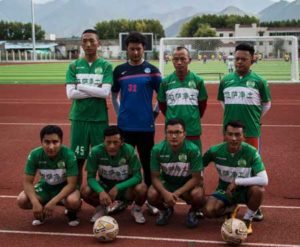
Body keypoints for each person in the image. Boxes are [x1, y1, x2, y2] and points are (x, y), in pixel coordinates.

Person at [218, 43, 271, 221]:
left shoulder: (259, 81)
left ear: (252, 59)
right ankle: (232, 200)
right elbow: (223, 103)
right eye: (237, 58)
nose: (239, 62)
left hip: (251, 132)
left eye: (244, 59)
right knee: (232, 165)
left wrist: (254, 119)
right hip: (230, 131)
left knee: (251, 169)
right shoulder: (225, 80)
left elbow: (266, 104)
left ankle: (254, 206)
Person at [111, 31, 162, 214]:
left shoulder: (152, 70)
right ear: (127, 49)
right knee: (123, 164)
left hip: (145, 126)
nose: (135, 52)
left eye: (138, 49)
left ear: (144, 49)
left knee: (147, 164)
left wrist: (154, 113)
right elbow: (114, 94)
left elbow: (161, 96)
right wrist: (119, 113)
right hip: (124, 126)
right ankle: (123, 199)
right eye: (132, 49)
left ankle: (148, 200)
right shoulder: (119, 70)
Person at [202, 121, 268, 235]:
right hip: (225, 188)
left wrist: (237, 181)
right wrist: (200, 179)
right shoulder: (214, 151)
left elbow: (264, 180)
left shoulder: (251, 152)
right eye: (230, 134)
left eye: (237, 135)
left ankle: (247, 219)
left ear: (243, 136)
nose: (233, 138)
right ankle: (231, 209)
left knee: (259, 190)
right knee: (208, 211)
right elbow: (199, 166)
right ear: (224, 135)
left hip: (246, 189)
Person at [66, 29, 113, 186]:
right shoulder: (74, 66)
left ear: (98, 43)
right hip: (79, 119)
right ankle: (75, 197)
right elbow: (71, 94)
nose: (88, 44)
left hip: (99, 120)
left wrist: (80, 86)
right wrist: (94, 90)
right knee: (78, 160)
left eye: (92, 40)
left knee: (102, 161)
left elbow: (105, 92)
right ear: (81, 44)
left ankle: (102, 198)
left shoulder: (106, 66)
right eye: (85, 41)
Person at [16, 125, 81, 226]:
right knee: (22, 200)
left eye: (55, 142)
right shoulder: (34, 154)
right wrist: (35, 203)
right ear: (41, 142)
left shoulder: (69, 155)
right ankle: (41, 212)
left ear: (61, 142)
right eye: (47, 142)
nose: (51, 147)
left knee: (73, 201)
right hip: (46, 187)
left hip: (64, 188)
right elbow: (27, 182)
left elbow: (71, 184)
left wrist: (53, 202)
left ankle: (71, 212)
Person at [81, 126, 148, 224]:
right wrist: (100, 192)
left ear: (122, 142)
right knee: (84, 191)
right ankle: (101, 208)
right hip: (105, 187)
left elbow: (138, 177)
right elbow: (90, 178)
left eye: (115, 142)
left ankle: (136, 209)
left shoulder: (128, 150)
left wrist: (118, 187)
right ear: (103, 141)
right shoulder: (95, 152)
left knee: (142, 188)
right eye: (108, 142)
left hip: (126, 189)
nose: (112, 146)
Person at [147, 118, 205, 228]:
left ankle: (193, 211)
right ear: (165, 134)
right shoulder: (157, 149)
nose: (174, 136)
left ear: (184, 134)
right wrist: (165, 193)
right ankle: (165, 210)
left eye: (178, 132)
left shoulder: (193, 149)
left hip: (186, 183)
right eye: (170, 132)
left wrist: (176, 193)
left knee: (198, 195)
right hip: (168, 182)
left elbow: (196, 178)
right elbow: (154, 177)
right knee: (151, 194)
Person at [158, 46, 208, 152]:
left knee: (195, 164)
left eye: (183, 59)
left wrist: (193, 117)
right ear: (172, 61)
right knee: (172, 164)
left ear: (189, 60)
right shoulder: (165, 82)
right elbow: (162, 105)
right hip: (172, 131)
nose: (179, 62)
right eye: (176, 59)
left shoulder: (198, 81)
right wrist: (172, 116)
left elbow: (202, 105)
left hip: (192, 130)